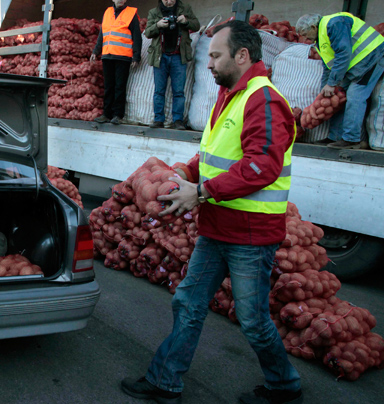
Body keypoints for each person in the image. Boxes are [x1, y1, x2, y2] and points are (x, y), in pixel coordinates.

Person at [121, 21, 303, 404]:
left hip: (250, 236)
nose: (209, 64)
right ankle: (164, 382)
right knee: (187, 302)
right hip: (219, 227)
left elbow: (261, 167)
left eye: (216, 56)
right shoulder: (230, 94)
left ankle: (284, 387)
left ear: (242, 56)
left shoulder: (264, 100)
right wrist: (186, 172)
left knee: (253, 321)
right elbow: (217, 155)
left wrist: (201, 192)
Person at [296, 12, 384, 149]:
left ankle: (352, 139)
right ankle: (335, 137)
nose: (305, 38)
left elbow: (343, 54)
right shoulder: (320, 40)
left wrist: (332, 83)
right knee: (339, 96)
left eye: (305, 34)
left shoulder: (335, 23)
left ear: (313, 27)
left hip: (373, 58)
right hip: (358, 65)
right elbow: (328, 66)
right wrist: (324, 91)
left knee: (355, 96)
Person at [144, 0, 199, 130]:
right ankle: (158, 119)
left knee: (179, 91)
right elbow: (147, 33)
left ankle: (178, 120)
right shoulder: (154, 12)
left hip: (178, 56)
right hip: (160, 56)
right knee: (159, 90)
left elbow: (196, 25)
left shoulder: (185, 8)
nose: (169, 2)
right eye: (166, 0)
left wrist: (186, 22)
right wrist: (157, 25)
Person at [90, 0, 142, 125]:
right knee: (109, 86)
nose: (121, 0)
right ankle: (106, 114)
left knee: (120, 86)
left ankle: (118, 115)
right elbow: (102, 34)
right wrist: (95, 51)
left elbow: (137, 36)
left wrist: (136, 56)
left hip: (123, 57)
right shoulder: (108, 12)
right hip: (107, 55)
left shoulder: (131, 14)